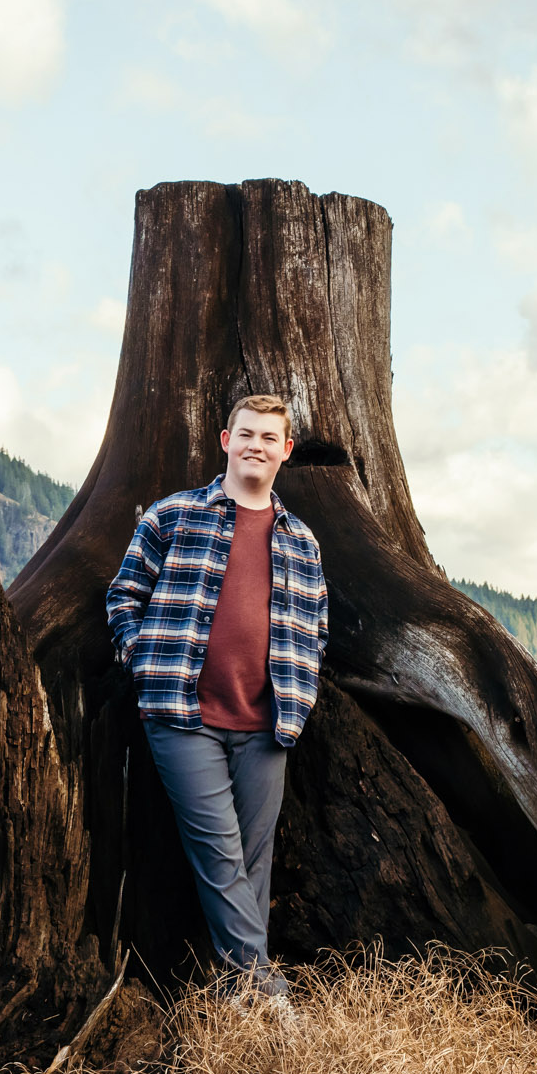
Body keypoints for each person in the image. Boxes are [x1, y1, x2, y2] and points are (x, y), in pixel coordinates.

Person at [105, 393, 329, 1006]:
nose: (256, 445)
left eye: (269, 437)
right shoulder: (175, 516)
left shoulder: (301, 541)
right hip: (183, 716)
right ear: (225, 440)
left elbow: (317, 627)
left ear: (285, 451)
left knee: (254, 863)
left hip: (268, 722)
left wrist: (300, 693)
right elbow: (124, 595)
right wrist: (143, 658)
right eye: (246, 433)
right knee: (219, 851)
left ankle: (237, 999)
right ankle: (265, 992)